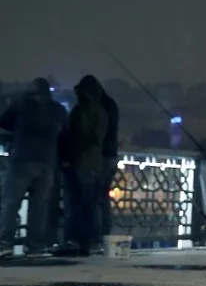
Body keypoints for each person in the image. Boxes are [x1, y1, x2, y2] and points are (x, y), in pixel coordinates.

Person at [0, 78, 67, 258]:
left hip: (22, 160)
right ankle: (35, 245)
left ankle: (5, 243)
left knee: (10, 202)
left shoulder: (22, 105)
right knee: (39, 207)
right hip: (47, 162)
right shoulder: (58, 109)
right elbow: (65, 133)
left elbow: (4, 121)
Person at [57, 76, 108, 256]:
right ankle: (93, 241)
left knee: (76, 205)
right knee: (92, 205)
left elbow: (79, 137)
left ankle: (74, 241)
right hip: (95, 163)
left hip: (80, 162)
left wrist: (67, 157)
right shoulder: (102, 111)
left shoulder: (81, 111)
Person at [79, 75, 120, 242]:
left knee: (94, 198)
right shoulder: (111, 105)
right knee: (102, 198)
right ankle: (105, 236)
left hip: (99, 156)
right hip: (111, 155)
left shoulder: (97, 108)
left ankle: (96, 237)